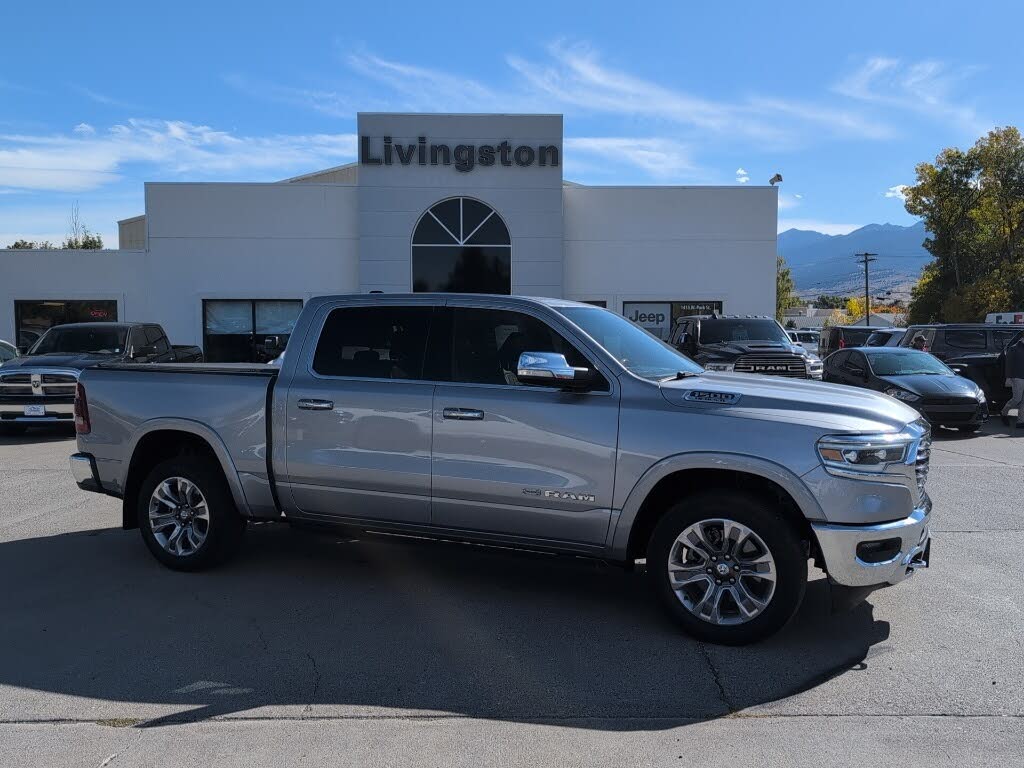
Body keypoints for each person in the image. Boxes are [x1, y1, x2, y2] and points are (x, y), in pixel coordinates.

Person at [1002, 333, 1024, 429]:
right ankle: (1004, 412)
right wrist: (1008, 377)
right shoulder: (1014, 348)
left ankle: (1021, 421)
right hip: (1017, 376)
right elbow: (1009, 365)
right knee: (1017, 399)